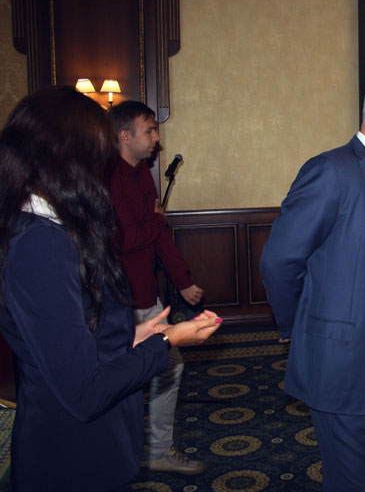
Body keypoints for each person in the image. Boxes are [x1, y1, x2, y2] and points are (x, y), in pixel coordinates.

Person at [0, 87, 220, 492]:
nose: (100, 166)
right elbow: (84, 391)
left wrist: (130, 336)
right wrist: (167, 340)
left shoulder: (49, 226)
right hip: (70, 458)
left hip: (85, 451)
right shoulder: (39, 244)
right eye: (95, 153)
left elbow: (69, 339)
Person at [260, 72, 365, 492]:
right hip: (345, 362)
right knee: (352, 480)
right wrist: (298, 325)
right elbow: (280, 260)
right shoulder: (331, 171)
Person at [107, 100, 208, 475]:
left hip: (145, 295)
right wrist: (155, 221)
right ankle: (129, 450)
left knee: (168, 366)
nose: (156, 138)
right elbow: (120, 239)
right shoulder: (108, 177)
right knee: (133, 376)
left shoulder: (142, 175)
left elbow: (156, 236)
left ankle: (155, 448)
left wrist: (183, 282)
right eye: (149, 130)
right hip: (119, 300)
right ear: (125, 135)